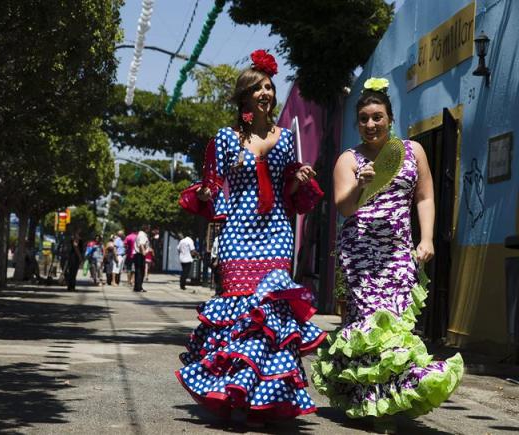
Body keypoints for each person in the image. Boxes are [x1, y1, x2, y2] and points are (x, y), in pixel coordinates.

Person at [175, 50, 326, 422]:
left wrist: (299, 180)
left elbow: (290, 192)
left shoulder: (286, 138)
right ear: (244, 97)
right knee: (240, 313)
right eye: (258, 88)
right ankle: (234, 392)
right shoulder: (225, 139)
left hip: (275, 232)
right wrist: (208, 195)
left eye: (270, 88)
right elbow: (210, 186)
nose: (266, 93)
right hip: (237, 234)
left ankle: (265, 395)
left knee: (269, 312)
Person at [311, 78, 463, 424]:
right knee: (368, 324)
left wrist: (426, 240)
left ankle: (388, 399)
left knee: (395, 325)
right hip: (360, 255)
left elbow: (424, 196)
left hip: (398, 253)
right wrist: (360, 185)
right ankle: (370, 400)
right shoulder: (349, 160)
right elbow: (344, 207)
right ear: (357, 123)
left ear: (390, 118)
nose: (370, 124)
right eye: (363, 118)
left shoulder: (413, 152)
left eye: (377, 117)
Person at [132, 225, 149, 293]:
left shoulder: (140, 234)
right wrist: (144, 252)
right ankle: (139, 287)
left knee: (138, 271)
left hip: (138, 254)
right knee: (140, 271)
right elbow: (141, 244)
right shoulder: (142, 235)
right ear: (146, 229)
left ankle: (137, 287)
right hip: (140, 254)